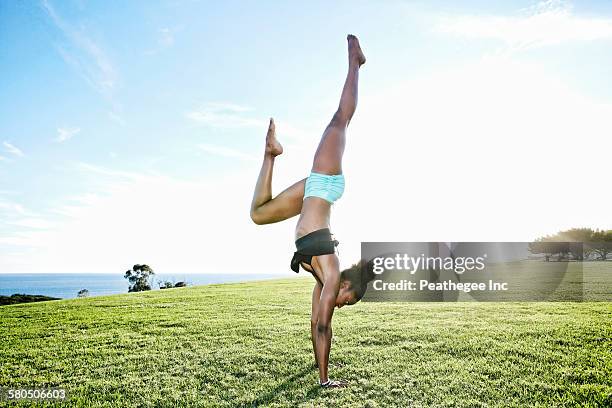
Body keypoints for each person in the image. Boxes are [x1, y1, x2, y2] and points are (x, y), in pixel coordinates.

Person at [250, 35, 370, 388]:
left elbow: (314, 321)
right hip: (326, 184)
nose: (341, 304)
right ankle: (355, 61)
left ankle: (271, 154)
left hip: (315, 194)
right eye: (348, 300)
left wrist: (319, 363)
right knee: (340, 120)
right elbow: (324, 325)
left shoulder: (323, 276)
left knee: (259, 214)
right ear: (346, 285)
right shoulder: (331, 275)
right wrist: (325, 381)